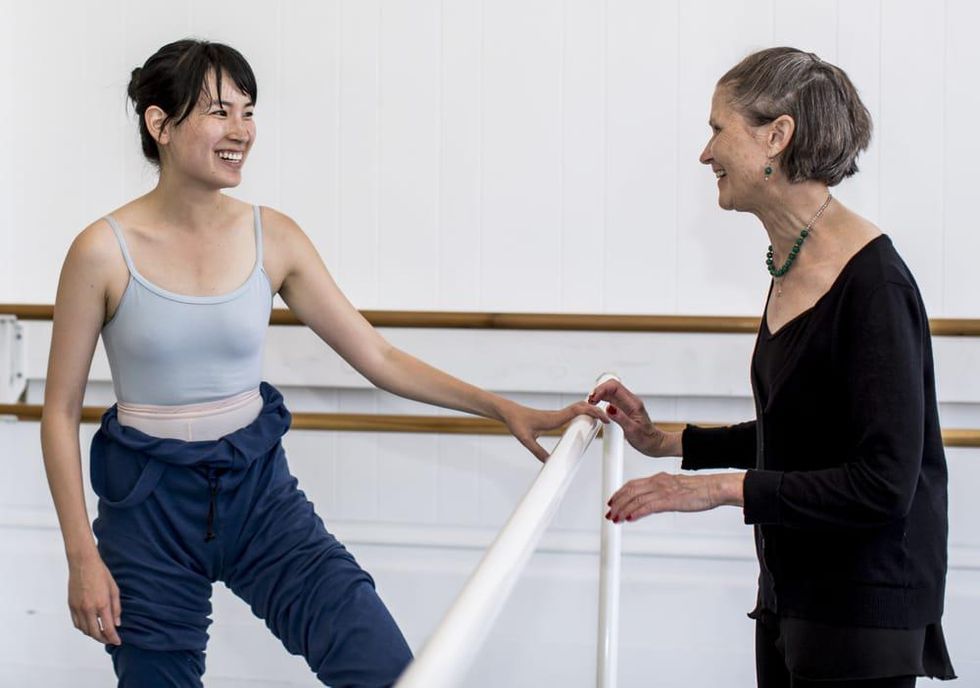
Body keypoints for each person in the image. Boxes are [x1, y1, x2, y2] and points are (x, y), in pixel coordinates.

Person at [39, 39, 603, 688]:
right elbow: (58, 412)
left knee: (387, 671)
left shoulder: (272, 235)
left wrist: (503, 407)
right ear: (159, 124)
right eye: (220, 111)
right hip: (148, 507)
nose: (241, 131)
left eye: (249, 112)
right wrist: (80, 554)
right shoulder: (101, 251)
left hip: (259, 495)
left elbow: (378, 355)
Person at [590, 47, 955, 688]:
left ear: (776, 137)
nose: (706, 155)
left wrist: (720, 488)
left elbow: (882, 482)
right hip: (794, 598)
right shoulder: (792, 263)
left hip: (862, 614)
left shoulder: (874, 285)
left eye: (716, 129)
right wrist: (664, 442)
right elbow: (807, 436)